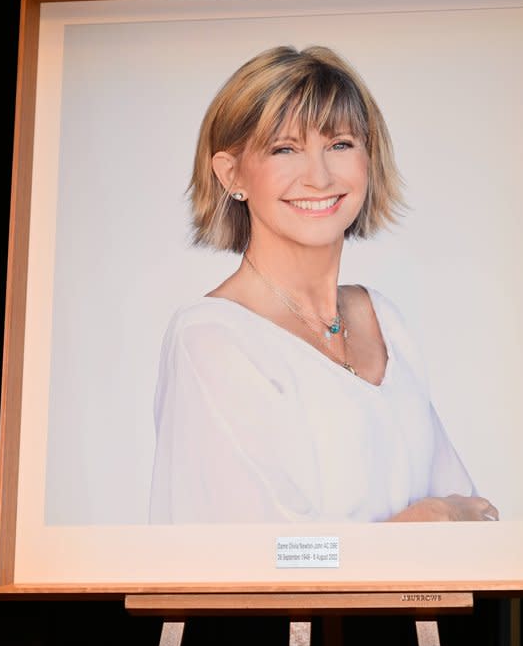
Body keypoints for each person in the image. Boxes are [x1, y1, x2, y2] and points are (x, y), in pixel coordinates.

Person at [148, 44, 498, 525]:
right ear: (232, 175)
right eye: (285, 149)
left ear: (368, 160)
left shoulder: (382, 319)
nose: (319, 176)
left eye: (340, 144)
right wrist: (425, 522)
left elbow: (475, 515)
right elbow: (257, 559)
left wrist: (439, 520)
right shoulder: (211, 339)